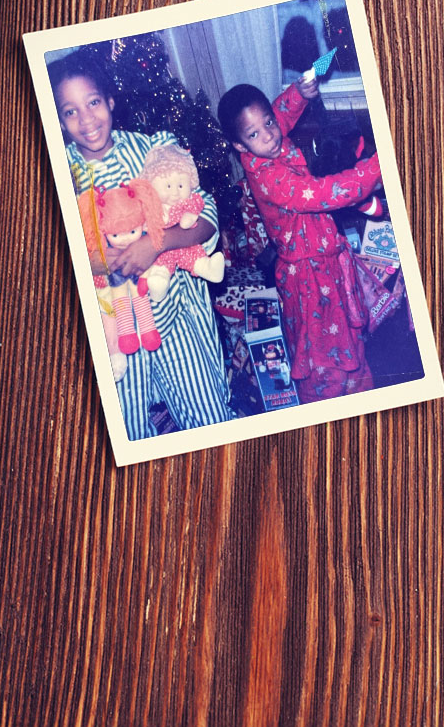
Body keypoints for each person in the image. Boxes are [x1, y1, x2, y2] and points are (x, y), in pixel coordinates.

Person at [51, 53, 234, 439]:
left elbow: (206, 214)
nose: (86, 120)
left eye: (93, 103)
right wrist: (93, 264)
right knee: (124, 431)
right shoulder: (60, 174)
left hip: (172, 315)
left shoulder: (152, 152)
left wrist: (156, 243)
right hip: (111, 333)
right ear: (60, 119)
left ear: (110, 100)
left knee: (211, 418)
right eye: (70, 111)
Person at [218, 75, 383, 401]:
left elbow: (279, 112)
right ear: (239, 146)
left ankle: (359, 385)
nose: (269, 134)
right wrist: (375, 170)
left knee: (346, 334)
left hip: (323, 257)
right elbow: (327, 192)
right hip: (308, 276)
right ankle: (331, 402)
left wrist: (299, 92)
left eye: (267, 123)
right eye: (255, 133)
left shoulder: (264, 142)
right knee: (323, 347)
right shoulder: (270, 179)